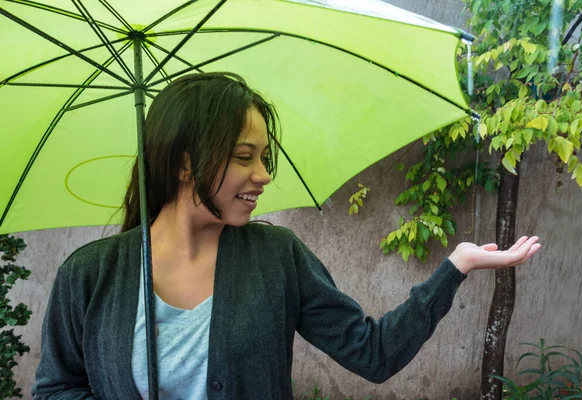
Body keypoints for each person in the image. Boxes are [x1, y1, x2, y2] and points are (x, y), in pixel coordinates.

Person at [32, 72, 541, 400]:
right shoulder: (90, 275)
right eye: (244, 156)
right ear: (185, 163)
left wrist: (457, 266)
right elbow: (56, 389)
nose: (264, 176)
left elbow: (374, 354)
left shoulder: (277, 258)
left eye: (265, 158)